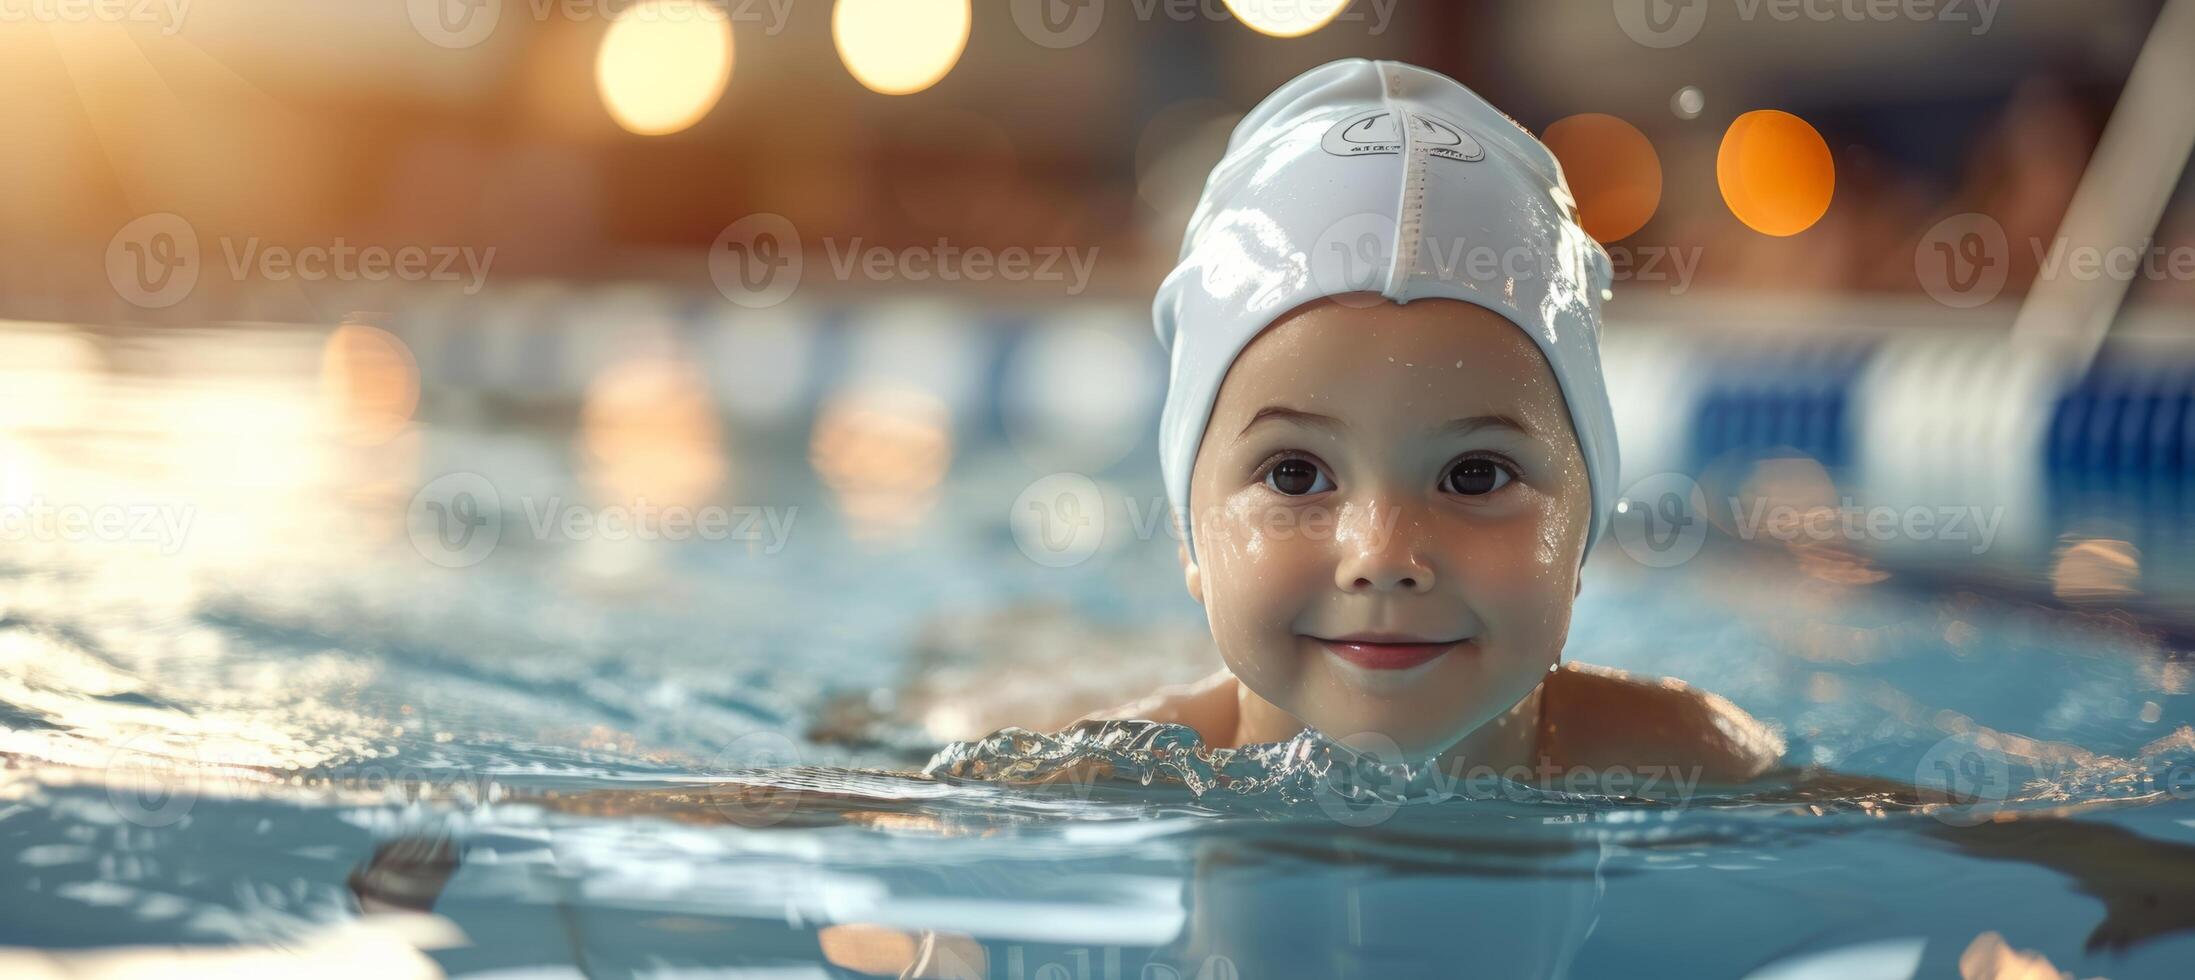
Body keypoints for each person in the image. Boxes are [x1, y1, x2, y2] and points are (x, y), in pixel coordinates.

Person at [1086, 58, 1784, 789]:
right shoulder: (1101, 780)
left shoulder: (1686, 762)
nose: (1383, 556)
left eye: (1474, 475)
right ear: (1187, 533)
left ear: (1584, 526)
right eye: (1293, 475)